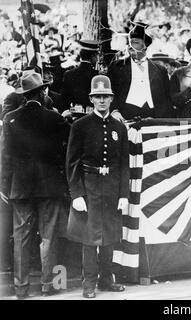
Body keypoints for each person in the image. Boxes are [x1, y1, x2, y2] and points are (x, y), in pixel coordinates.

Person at [0, 72, 70, 298]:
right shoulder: (55, 118)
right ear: (42, 93)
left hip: (20, 188)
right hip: (49, 187)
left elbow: (6, 156)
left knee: (21, 238)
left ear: (24, 94)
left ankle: (21, 288)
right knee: (48, 236)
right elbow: (63, 152)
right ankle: (48, 285)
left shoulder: (10, 119)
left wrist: (4, 186)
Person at [66, 75, 129, 299]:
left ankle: (105, 280)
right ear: (91, 99)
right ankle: (89, 284)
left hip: (112, 188)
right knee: (90, 239)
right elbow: (72, 162)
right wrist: (77, 194)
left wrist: (124, 194)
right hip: (89, 188)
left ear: (111, 99)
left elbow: (123, 163)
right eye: (98, 97)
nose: (102, 100)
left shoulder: (119, 128)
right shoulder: (80, 125)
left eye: (106, 96)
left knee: (110, 238)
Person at [107, 21, 174, 121]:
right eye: (130, 42)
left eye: (136, 43)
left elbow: (166, 100)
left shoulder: (160, 70)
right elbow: (109, 92)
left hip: (152, 118)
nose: (131, 46)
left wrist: (159, 119)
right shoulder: (117, 66)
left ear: (145, 46)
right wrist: (114, 111)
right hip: (123, 117)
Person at [61, 40, 99, 115]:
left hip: (74, 115)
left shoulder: (68, 74)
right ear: (93, 56)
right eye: (96, 56)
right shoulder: (97, 76)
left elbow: (64, 99)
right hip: (93, 117)